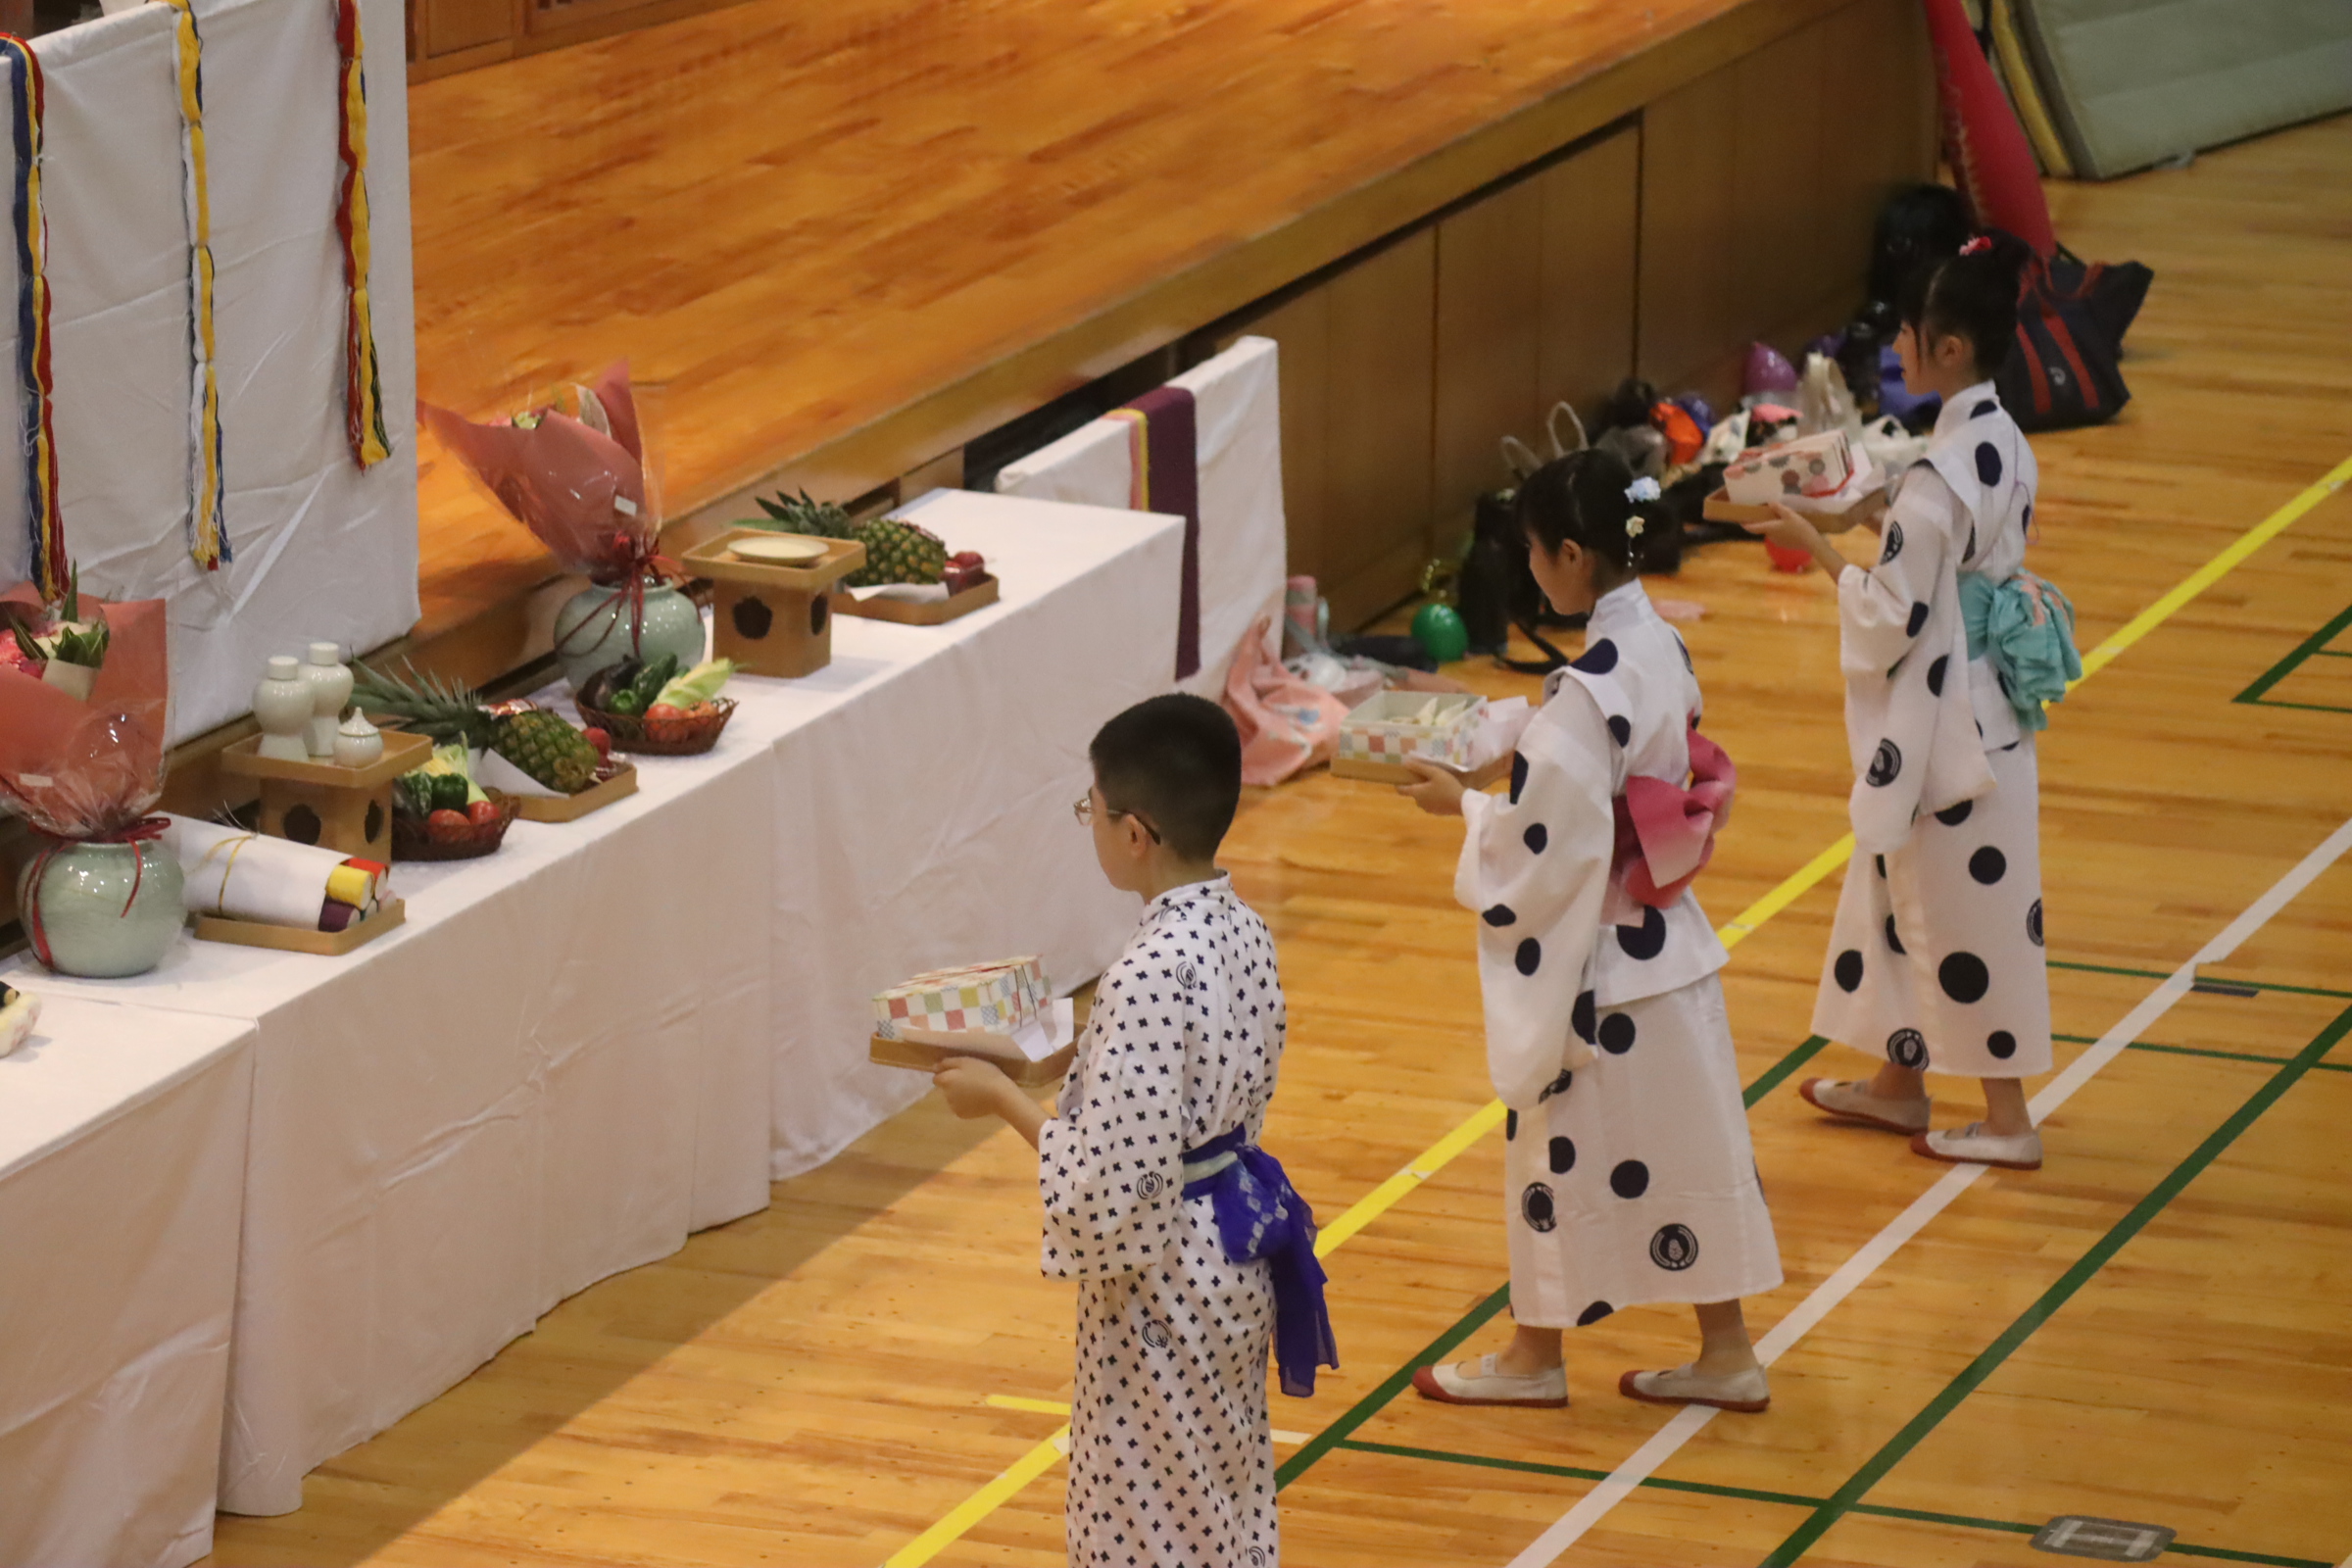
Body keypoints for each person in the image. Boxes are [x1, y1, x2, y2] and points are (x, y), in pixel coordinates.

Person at [1398, 450, 1784, 1415]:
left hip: (1601, 965)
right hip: (1673, 951)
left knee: (1549, 1148)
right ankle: (1725, 1348)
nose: (1530, 569)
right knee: (1692, 1147)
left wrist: (1465, 809)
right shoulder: (1653, 642)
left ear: (1572, 555)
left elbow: (1546, 845)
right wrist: (1529, 734)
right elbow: (1612, 743)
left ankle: (1534, 1355)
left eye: (1533, 552)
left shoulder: (1584, 695)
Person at [934, 693, 1335, 1568]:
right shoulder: (1241, 928)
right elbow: (1194, 1072)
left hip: (1168, 1278)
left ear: (1135, 834)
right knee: (1217, 1493)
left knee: (1151, 1513)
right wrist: (1057, 1060)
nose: (1093, 825)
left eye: (1095, 809)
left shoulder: (1148, 971)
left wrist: (1001, 1099)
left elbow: (1111, 1179)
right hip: (1235, 1248)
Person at [1742, 234, 2071, 1171]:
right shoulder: (1997, 439)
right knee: (1892, 888)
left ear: (1952, 347)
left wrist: (1820, 545)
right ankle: (1899, 1081)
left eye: (1912, 334)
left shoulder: (1934, 480)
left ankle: (2007, 1119)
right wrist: (1871, 515)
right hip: (1985, 705)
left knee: (1964, 915)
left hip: (1946, 727)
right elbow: (1946, 549)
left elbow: (1894, 612)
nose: (1898, 347)